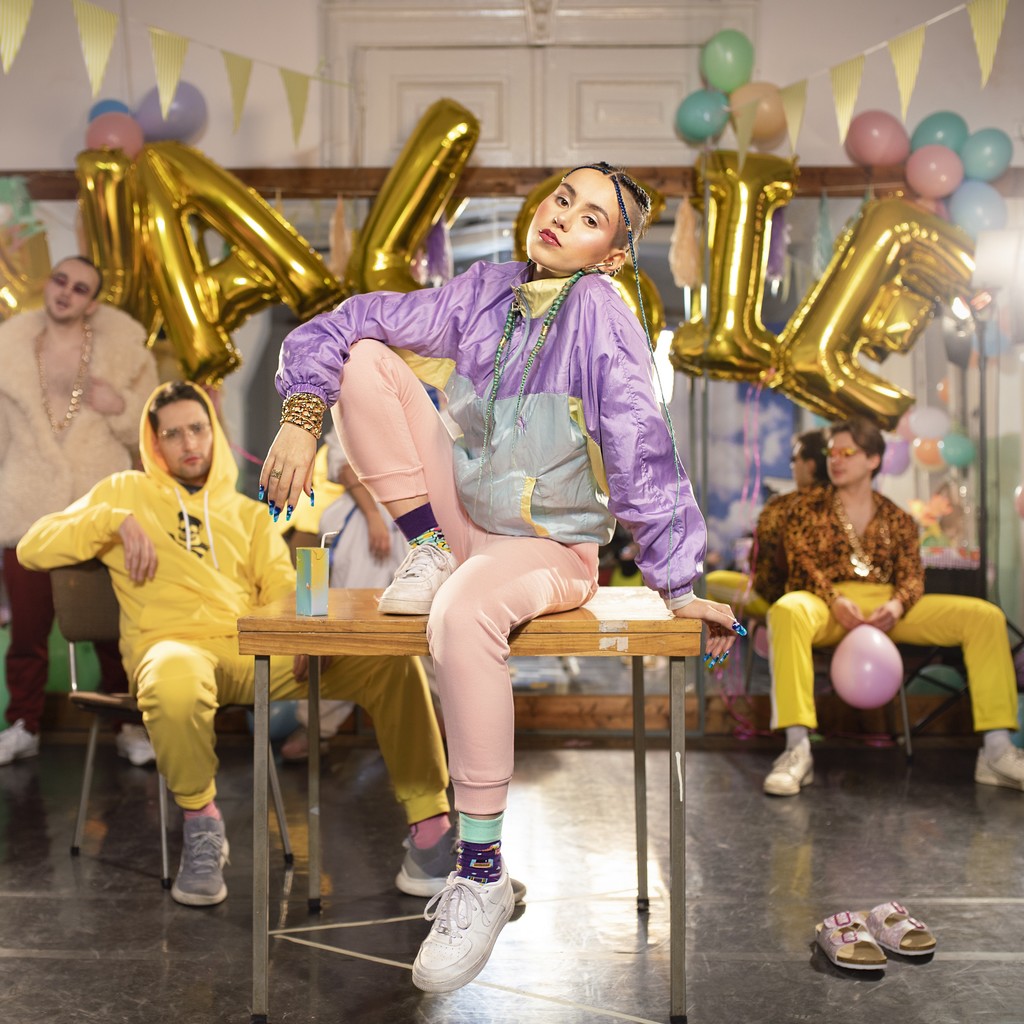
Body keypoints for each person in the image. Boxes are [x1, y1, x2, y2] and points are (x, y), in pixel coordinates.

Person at [260, 162, 741, 991]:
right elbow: (346, 322)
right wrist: (303, 416)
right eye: (564, 198)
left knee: (459, 615)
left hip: (550, 545)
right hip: (464, 527)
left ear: (610, 255)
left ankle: (480, 871)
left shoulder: (600, 310)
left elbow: (638, 436)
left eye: (591, 219)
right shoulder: (486, 290)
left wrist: (676, 579)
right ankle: (427, 547)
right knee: (365, 357)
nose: (563, 217)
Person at [17, 381, 460, 908]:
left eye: (197, 428)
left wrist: (301, 632)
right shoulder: (123, 493)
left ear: (213, 432)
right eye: (173, 434)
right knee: (172, 676)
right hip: (176, 650)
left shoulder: (248, 514)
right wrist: (111, 520)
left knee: (392, 665)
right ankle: (202, 824)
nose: (189, 443)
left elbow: (280, 590)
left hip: (254, 652)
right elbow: (31, 548)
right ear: (154, 443)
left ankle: (431, 833)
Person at [763, 417, 1024, 797]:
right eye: (832, 453)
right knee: (787, 611)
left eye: (847, 452)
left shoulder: (897, 517)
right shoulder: (805, 507)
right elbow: (801, 563)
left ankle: (997, 751)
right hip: (825, 601)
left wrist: (899, 605)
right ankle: (796, 748)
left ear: (873, 459)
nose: (836, 460)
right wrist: (834, 600)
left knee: (985, 617)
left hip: (887, 604)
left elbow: (913, 576)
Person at [0, 256, 158, 768]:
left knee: (114, 630)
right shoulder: (10, 348)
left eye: (80, 288)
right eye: (60, 280)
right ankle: (24, 725)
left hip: (99, 508)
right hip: (25, 507)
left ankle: (128, 725)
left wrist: (121, 405)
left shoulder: (124, 351)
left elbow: (150, 431)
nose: (66, 292)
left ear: (92, 303)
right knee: (26, 633)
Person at [280, 428, 406, 761]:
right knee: (347, 626)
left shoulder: (439, 403)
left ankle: (441, 730)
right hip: (360, 524)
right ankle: (315, 727)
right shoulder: (351, 407)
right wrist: (373, 515)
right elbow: (344, 465)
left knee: (431, 630)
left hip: (418, 518)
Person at [706, 428, 829, 618]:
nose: (792, 466)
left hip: (777, 597)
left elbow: (765, 560)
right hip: (827, 598)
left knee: (710, 583)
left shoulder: (786, 506)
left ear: (810, 465)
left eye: (794, 459)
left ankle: (717, 638)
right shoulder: (838, 503)